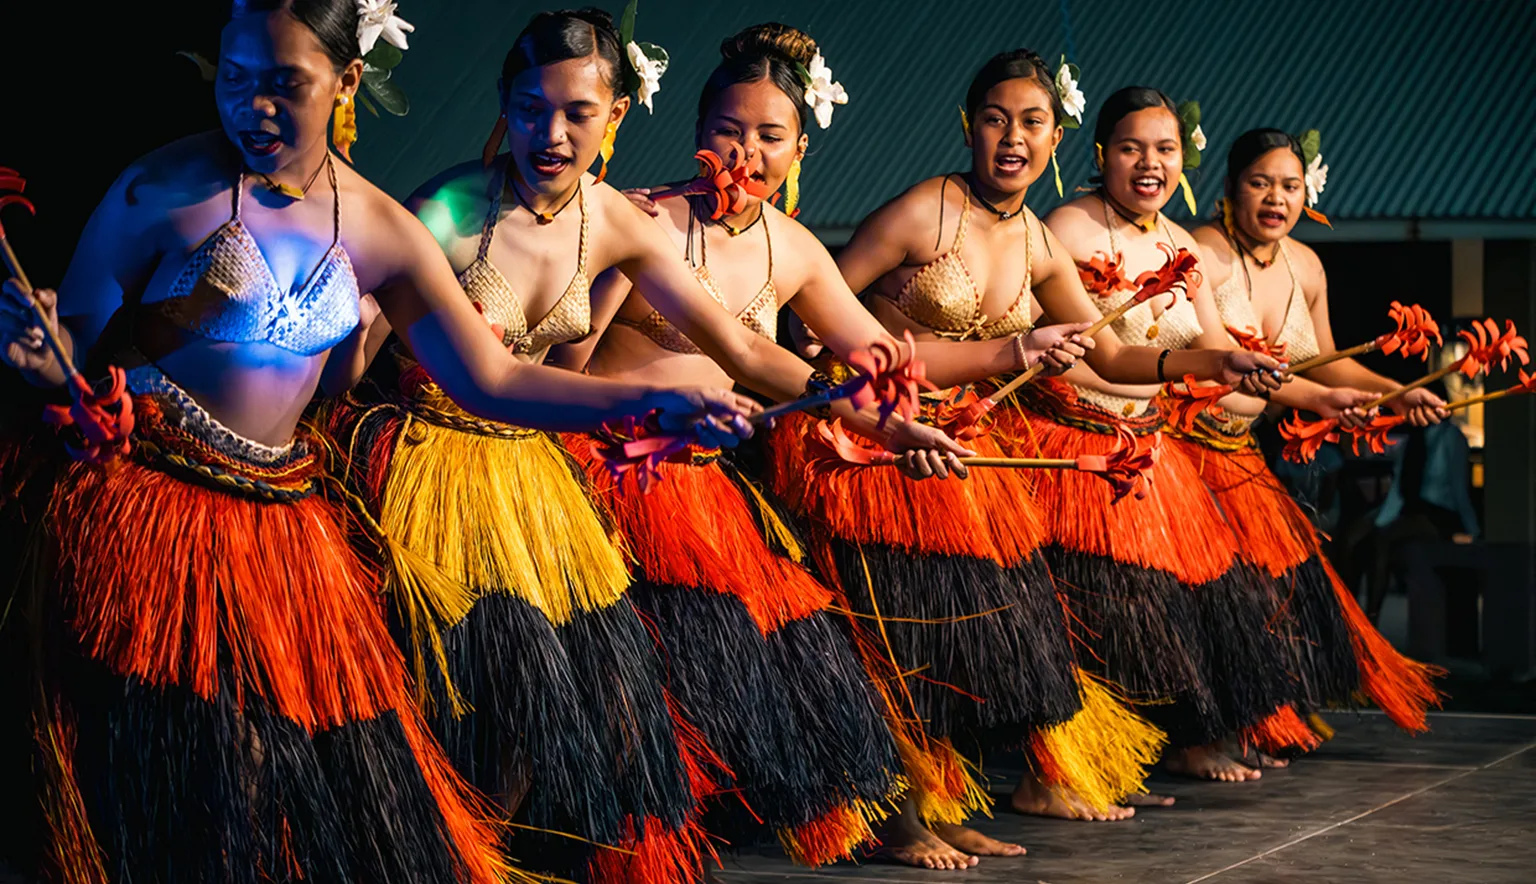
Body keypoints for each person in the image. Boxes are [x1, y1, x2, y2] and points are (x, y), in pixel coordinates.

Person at [0, 1, 758, 881]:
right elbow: (70, 363)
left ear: (346, 82)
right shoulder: (157, 190)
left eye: (287, 85)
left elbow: (493, 378)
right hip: (150, 504)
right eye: (237, 81)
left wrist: (641, 407)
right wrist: (36, 365)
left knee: (279, 789)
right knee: (176, 774)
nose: (254, 109)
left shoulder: (381, 228)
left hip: (279, 520)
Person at [324, 8, 974, 881]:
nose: (550, 135)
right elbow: (367, 339)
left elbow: (745, 351)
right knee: (485, 682)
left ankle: (484, 856)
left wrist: (887, 427)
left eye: (578, 114)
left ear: (617, 115)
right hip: (428, 460)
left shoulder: (619, 223)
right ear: (506, 107)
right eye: (530, 108)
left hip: (524, 473)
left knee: (578, 690)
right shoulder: (449, 204)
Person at [553, 22, 1108, 868]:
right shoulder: (642, 223)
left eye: (771, 136)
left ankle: (879, 814)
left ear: (799, 147)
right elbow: (568, 369)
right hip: (611, 482)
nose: (748, 152)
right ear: (698, 133)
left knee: (812, 648)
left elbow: (854, 371)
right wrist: (648, 396)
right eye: (729, 131)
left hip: (707, 491)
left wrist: (907, 429)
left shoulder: (796, 250)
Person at [768, 53, 1282, 867]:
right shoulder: (925, 213)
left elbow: (1111, 358)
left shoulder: (1038, 241)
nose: (1013, 137)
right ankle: (894, 818)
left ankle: (940, 801)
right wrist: (994, 352)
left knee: (963, 641)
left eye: (1033, 122)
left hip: (966, 459)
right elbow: (809, 327)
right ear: (969, 125)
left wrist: (1209, 365)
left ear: (1055, 136)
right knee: (896, 636)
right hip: (875, 448)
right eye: (997, 118)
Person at [989, 85, 1315, 783]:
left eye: (1165, 149)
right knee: (1098, 612)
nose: (1150, 163)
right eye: (1132, 147)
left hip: (1149, 451)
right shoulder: (1067, 230)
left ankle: (1183, 739)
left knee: (1194, 602)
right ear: (1102, 153)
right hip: (1074, 446)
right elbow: (1057, 342)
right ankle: (1067, 769)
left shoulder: (1180, 246)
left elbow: (1216, 346)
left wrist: (1316, 392)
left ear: (1183, 160)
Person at [1183, 127, 1445, 740]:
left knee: (1278, 592)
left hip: (1240, 452)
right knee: (1217, 598)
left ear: (1307, 193)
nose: (1276, 198)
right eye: (1260, 183)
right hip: (1184, 450)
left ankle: (1248, 722)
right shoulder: (1204, 251)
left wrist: (1397, 392)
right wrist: (1322, 399)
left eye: (1289, 186)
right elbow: (1219, 363)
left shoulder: (1305, 264)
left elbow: (1327, 361)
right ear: (1228, 188)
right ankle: (1200, 734)